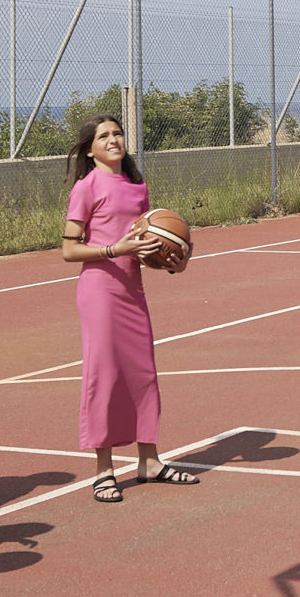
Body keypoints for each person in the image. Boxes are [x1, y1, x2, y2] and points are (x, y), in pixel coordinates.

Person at [61, 115, 195, 500]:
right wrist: (115, 249)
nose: (113, 139)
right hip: (99, 291)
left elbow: (148, 241)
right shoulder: (86, 188)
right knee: (104, 377)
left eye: (117, 133)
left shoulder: (138, 187)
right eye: (103, 136)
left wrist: (173, 259)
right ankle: (103, 471)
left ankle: (149, 461)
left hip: (132, 290)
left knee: (142, 374)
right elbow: (69, 250)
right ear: (90, 149)